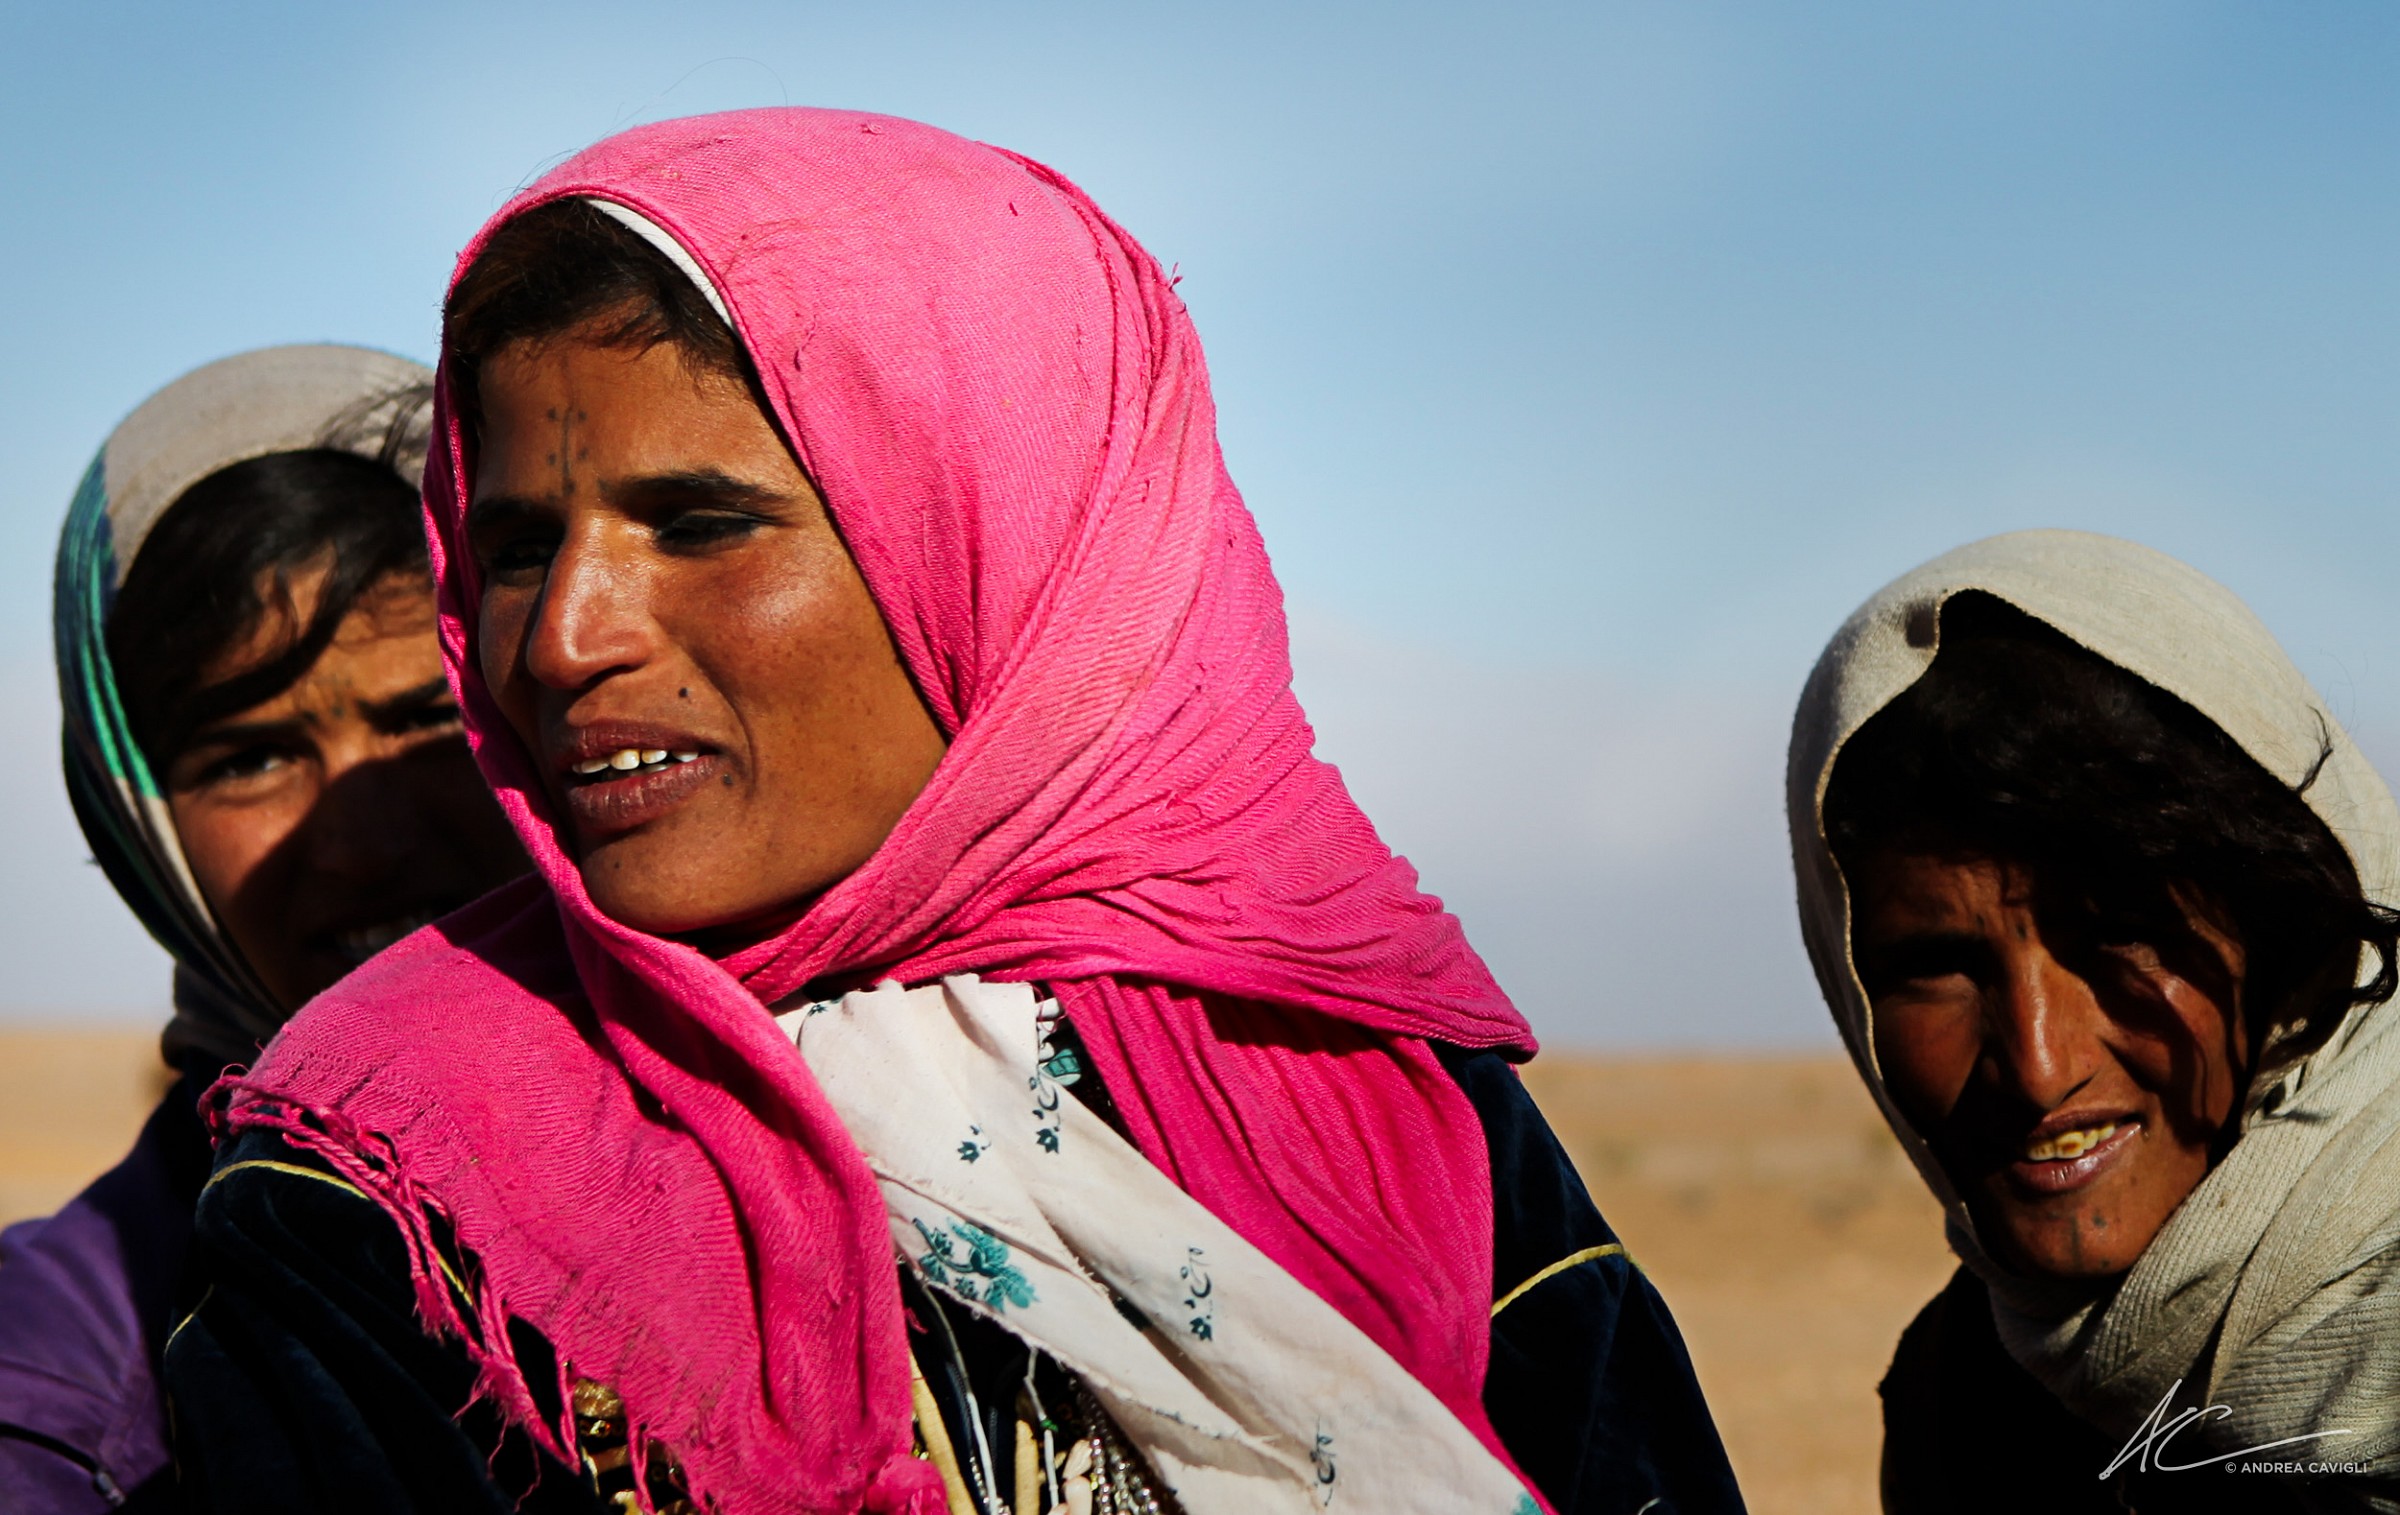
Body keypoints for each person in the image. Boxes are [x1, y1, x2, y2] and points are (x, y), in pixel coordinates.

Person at [162, 111, 1746, 1515]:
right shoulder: (378, 1187)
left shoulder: (1370, 1082)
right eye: (514, 545)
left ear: (1003, 550)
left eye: (698, 523)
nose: (564, 637)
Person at [0, 345, 529, 1511]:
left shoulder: (839, 1132)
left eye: (425, 720)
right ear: (136, 822)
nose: (364, 841)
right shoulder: (59, 1389)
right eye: (250, 759)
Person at [1787, 529, 2400, 1513]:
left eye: (2121, 936)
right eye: (1937, 967)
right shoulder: (1966, 1399)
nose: (2038, 1065)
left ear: (2284, 935)